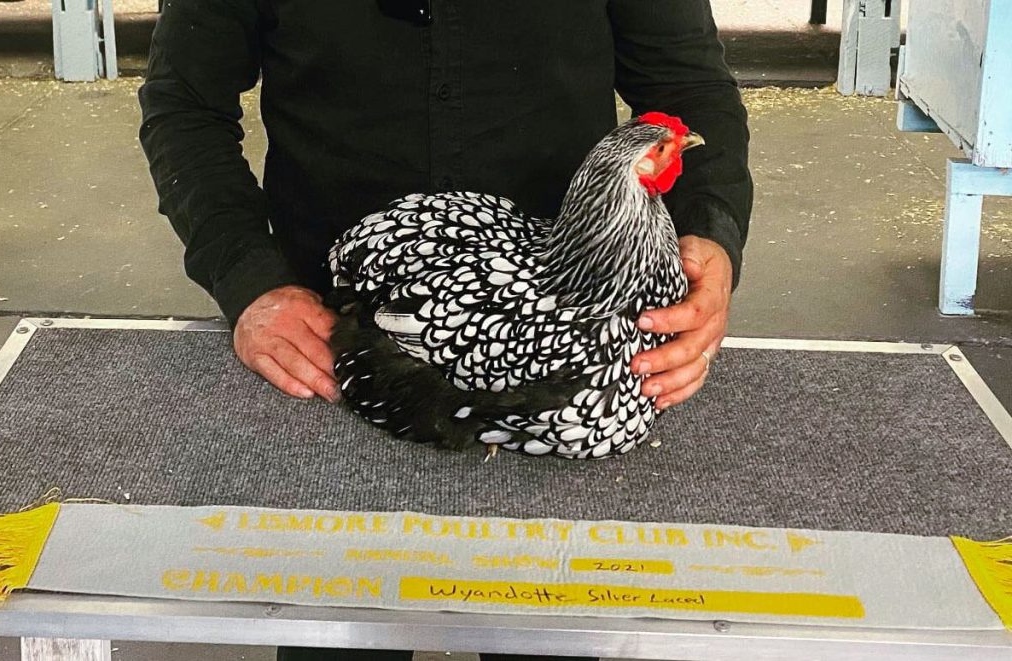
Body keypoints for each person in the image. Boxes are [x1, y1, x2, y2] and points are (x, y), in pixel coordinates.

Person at [139, 1, 751, 659]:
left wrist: (709, 235)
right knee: (337, 634)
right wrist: (248, 278)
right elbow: (186, 105)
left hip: (568, 351)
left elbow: (688, 86)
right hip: (338, 346)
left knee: (549, 638)